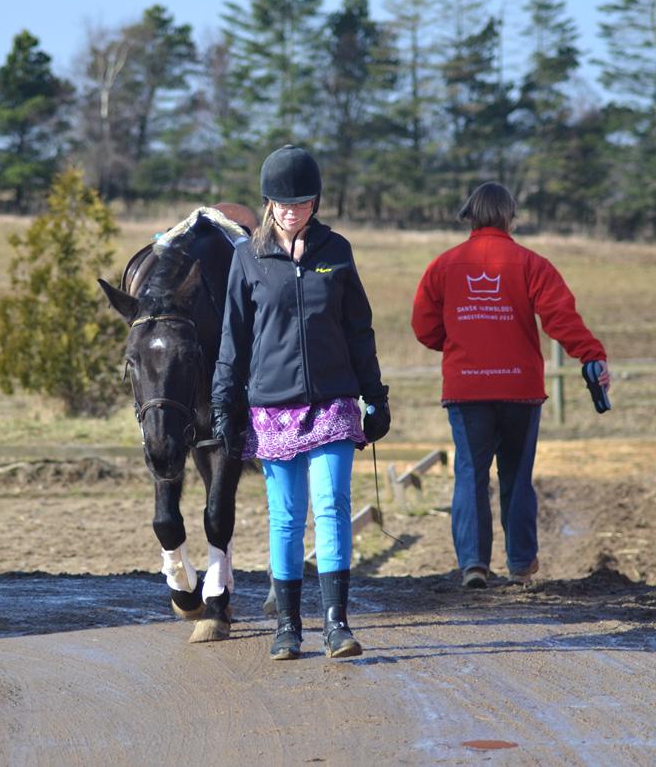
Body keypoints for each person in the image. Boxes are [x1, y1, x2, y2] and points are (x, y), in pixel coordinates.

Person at [210, 144, 390, 660]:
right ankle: (288, 626)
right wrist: (225, 405)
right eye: (282, 202)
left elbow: (360, 330)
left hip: (333, 402)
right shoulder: (248, 258)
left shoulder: (337, 251)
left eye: (303, 202)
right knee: (286, 517)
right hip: (272, 411)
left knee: (332, 507)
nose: (292, 211)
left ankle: (337, 624)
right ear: (268, 202)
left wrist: (375, 398)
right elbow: (233, 341)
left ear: (317, 201)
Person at [410, 182, 609, 589]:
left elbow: (423, 327)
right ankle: (520, 564)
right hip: (521, 389)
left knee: (470, 474)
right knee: (517, 476)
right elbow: (561, 319)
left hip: (466, 390)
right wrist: (590, 354)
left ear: (471, 214)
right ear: (509, 216)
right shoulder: (532, 263)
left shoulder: (442, 266)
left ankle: (473, 565)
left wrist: (455, 344)